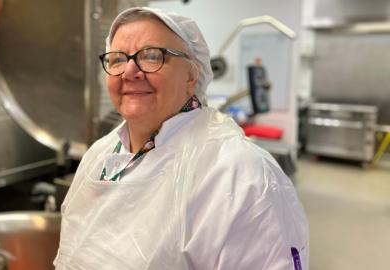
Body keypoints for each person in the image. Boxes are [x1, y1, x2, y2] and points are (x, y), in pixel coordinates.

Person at [54, 6, 308, 270]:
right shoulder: (100, 155)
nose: (129, 71)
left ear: (191, 75)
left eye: (152, 56)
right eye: (117, 59)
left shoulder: (240, 174)